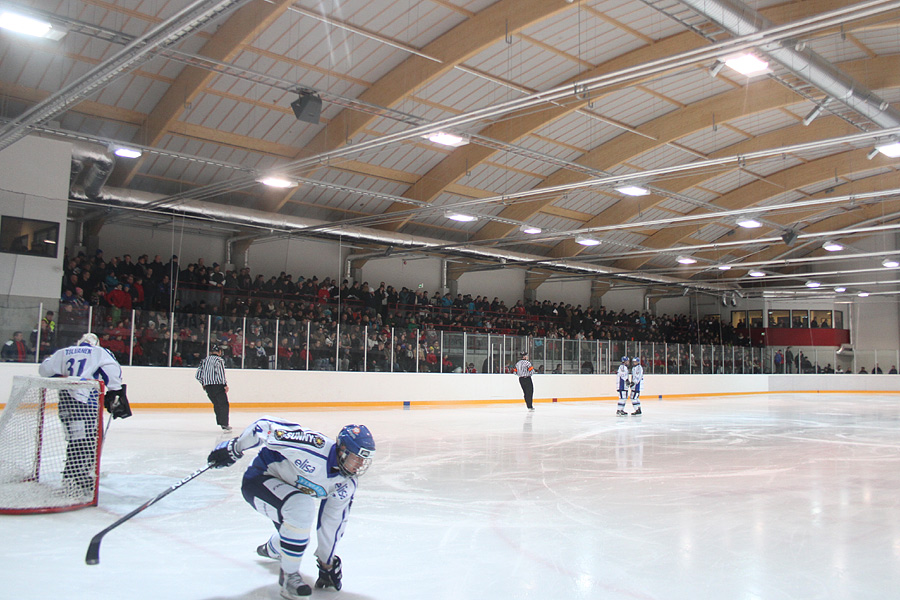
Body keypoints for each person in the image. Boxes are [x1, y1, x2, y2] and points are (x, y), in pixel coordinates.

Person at [207, 420, 375, 599]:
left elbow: (332, 522)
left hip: (286, 496)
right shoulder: (312, 446)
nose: (359, 465)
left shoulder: (346, 484)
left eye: (364, 460)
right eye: (356, 458)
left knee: (297, 533)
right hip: (259, 480)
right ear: (342, 451)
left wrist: (327, 562)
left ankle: (273, 548)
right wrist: (236, 447)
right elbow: (264, 426)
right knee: (301, 507)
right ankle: (289, 578)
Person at [37, 333, 131, 494]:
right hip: (86, 402)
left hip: (66, 401)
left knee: (75, 439)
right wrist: (115, 391)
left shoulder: (63, 352)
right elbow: (112, 372)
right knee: (89, 439)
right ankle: (77, 477)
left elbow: (44, 370)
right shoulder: (100, 352)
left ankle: (72, 475)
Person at [195, 344, 231, 431]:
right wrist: (224, 384)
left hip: (208, 386)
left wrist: (203, 383)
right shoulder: (219, 360)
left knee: (216, 404)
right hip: (218, 385)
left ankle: (220, 422)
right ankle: (224, 423)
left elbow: (198, 375)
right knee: (223, 404)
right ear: (219, 352)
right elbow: (220, 373)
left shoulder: (204, 360)